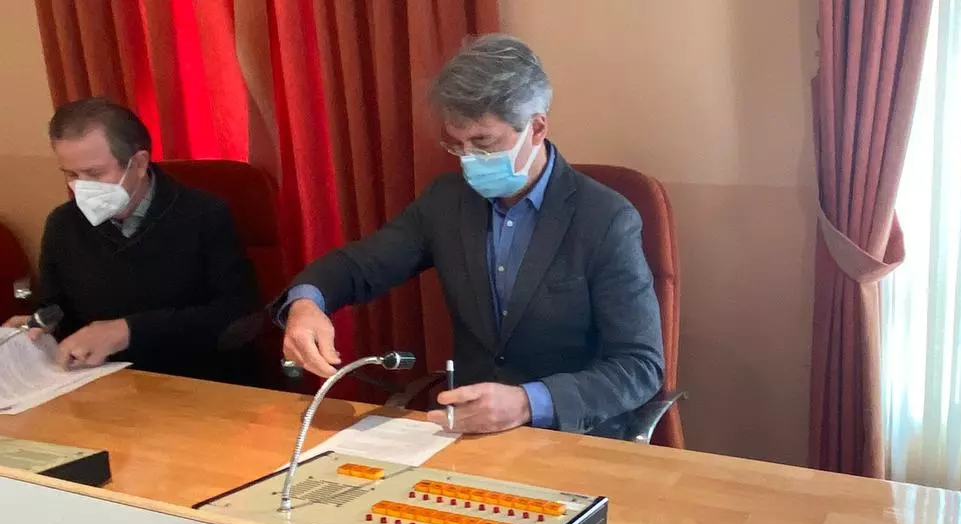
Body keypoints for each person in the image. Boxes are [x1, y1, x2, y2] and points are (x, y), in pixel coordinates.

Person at [277, 34, 663, 436]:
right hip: (468, 432)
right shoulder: (447, 201)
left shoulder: (604, 217)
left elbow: (640, 366)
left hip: (572, 436)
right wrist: (307, 302)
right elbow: (362, 265)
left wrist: (528, 402)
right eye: (457, 144)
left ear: (536, 127)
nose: (469, 160)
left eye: (483, 142)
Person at [3, 98, 260, 383]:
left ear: (138, 163)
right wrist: (40, 327)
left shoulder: (205, 214)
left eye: (95, 173)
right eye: (71, 174)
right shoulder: (63, 223)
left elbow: (238, 314)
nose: (81, 187)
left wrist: (128, 331)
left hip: (197, 380)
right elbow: (54, 306)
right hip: (99, 381)